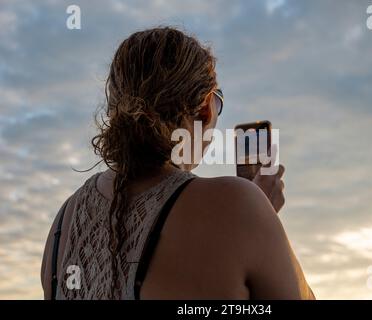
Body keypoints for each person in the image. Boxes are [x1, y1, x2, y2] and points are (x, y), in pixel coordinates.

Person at [40, 27, 315, 300]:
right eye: (218, 102)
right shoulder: (239, 205)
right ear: (206, 108)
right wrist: (260, 214)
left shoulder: (64, 220)